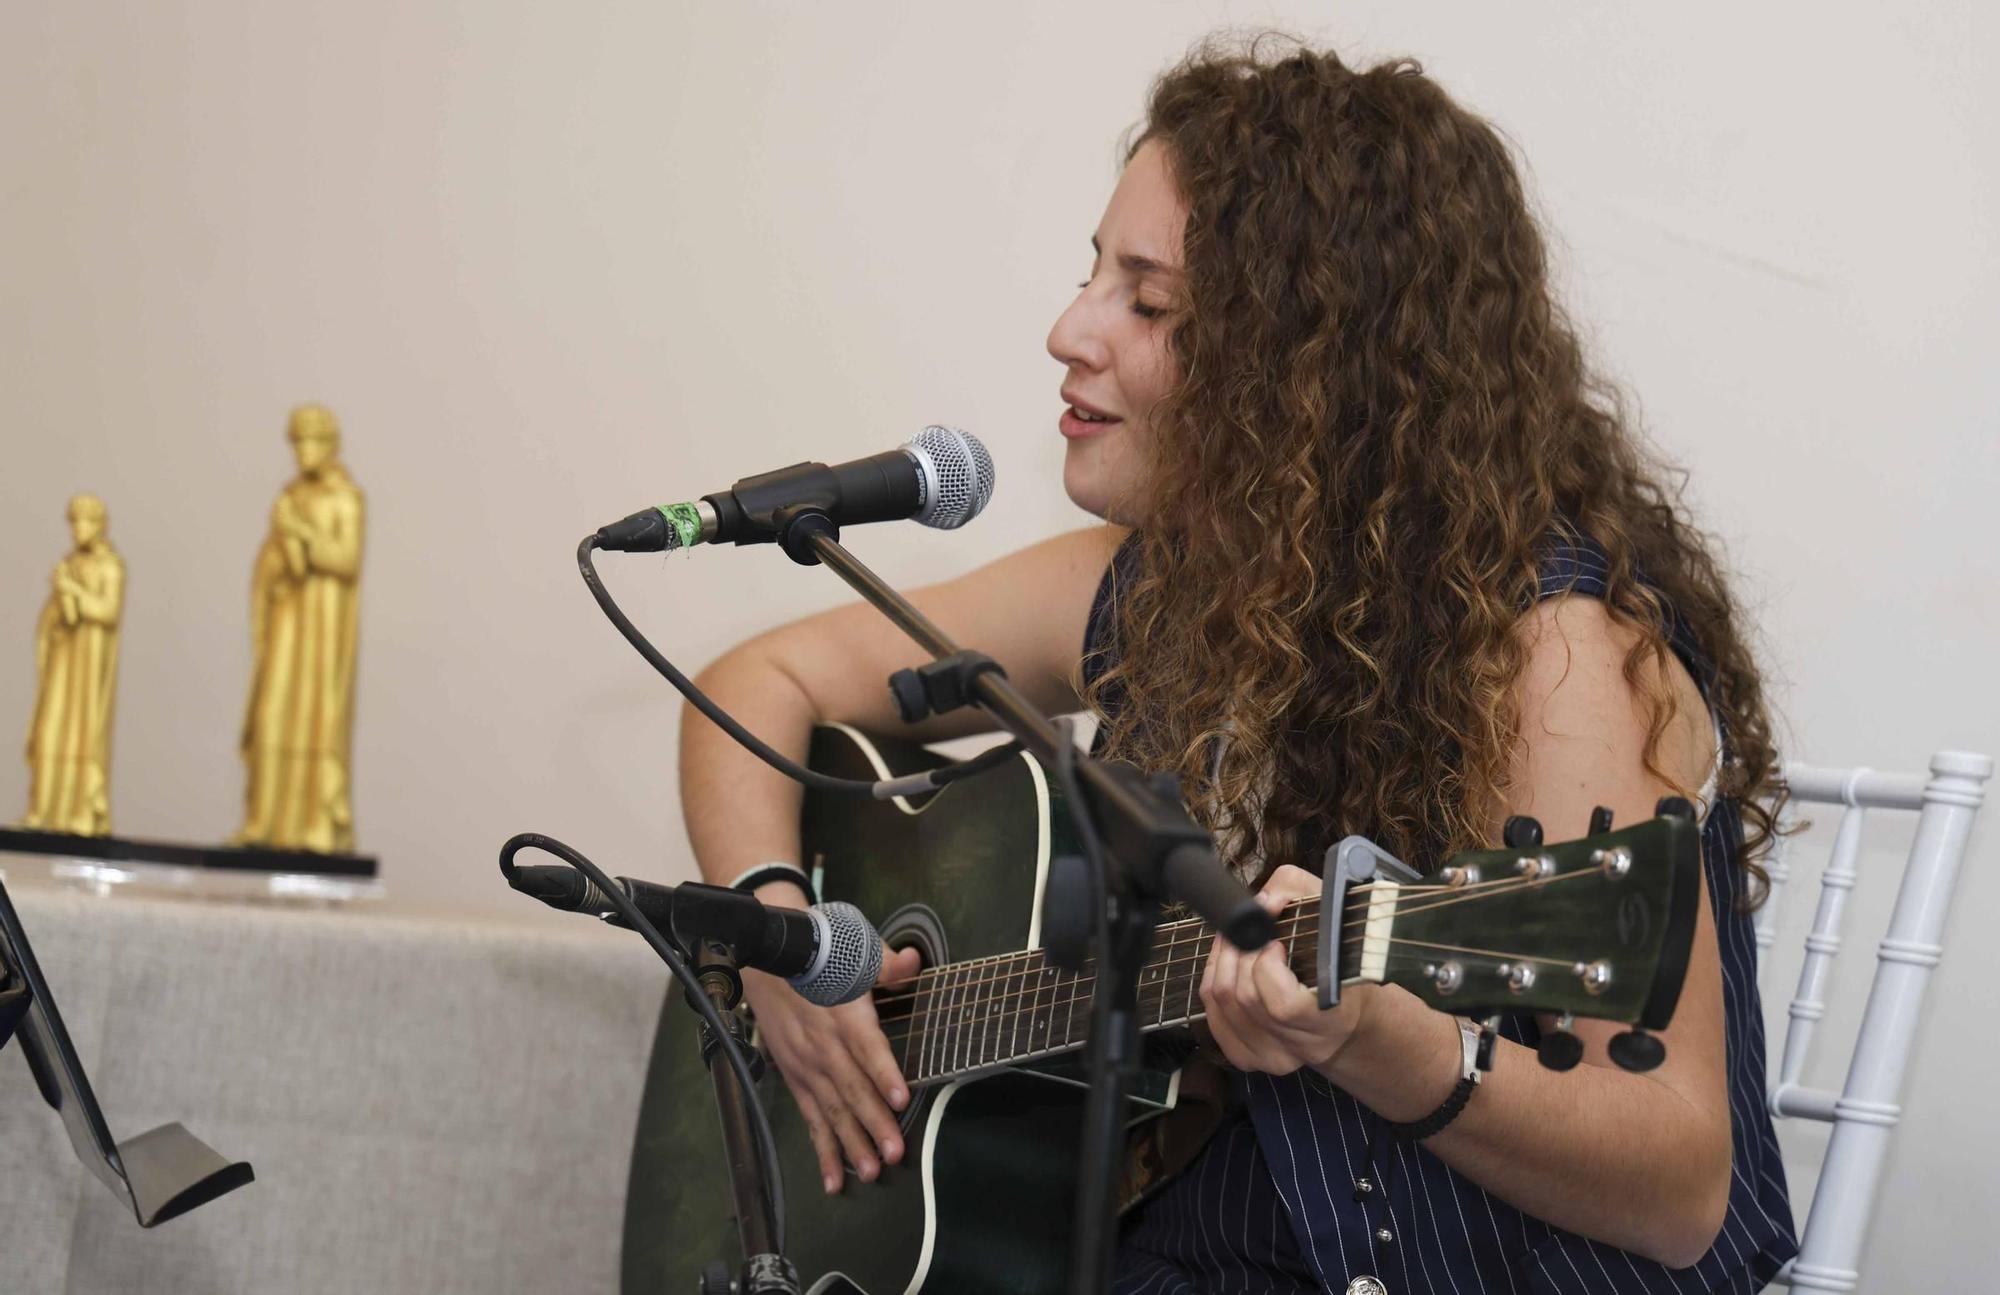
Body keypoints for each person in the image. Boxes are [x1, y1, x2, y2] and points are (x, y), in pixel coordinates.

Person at [679, 36, 1797, 1291]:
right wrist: (786, 944)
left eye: (1148, 303)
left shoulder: (1547, 653)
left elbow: (1679, 1190)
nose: (1067, 330)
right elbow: (752, 685)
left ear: (1309, 371)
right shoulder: (1144, 583)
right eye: (1092, 274)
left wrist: (1384, 1040)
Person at [233, 403, 366, 853]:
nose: (303, 451)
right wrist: (278, 554)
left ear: (330, 444)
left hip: (323, 632)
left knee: (316, 722)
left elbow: (345, 561)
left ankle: (316, 824)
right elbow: (271, 565)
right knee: (273, 714)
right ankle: (265, 821)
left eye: (312, 440)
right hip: (288, 623)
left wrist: (303, 534)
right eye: (297, 442)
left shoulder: (345, 498)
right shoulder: (290, 498)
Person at [18, 494, 124, 836]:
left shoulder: (110, 567)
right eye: (74, 521)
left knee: (83, 735)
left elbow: (107, 611)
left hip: (89, 668)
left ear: (100, 524)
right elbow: (57, 618)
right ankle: (43, 809)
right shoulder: (69, 565)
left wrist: (71, 592)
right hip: (64, 661)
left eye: (87, 521)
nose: (79, 529)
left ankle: (80, 812)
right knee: (50, 730)